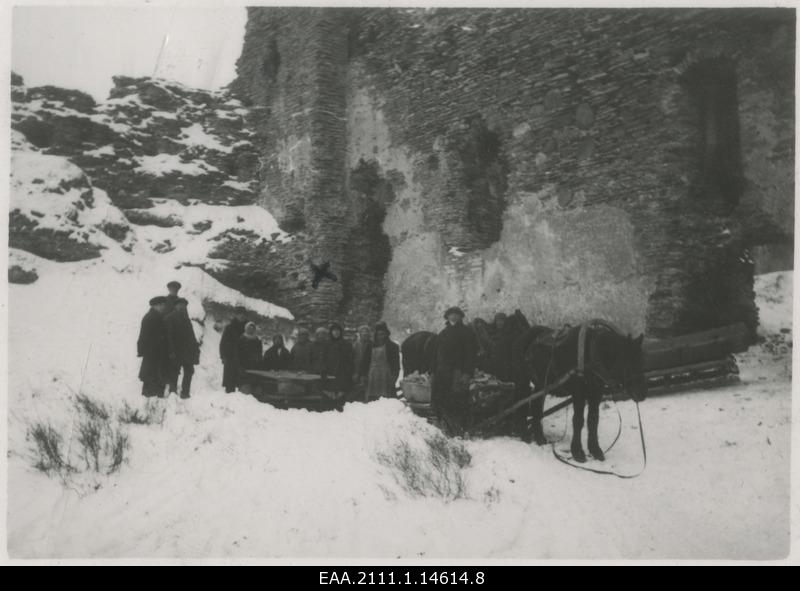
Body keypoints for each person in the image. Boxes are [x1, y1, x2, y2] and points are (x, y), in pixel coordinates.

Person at [432, 306, 478, 432]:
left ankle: (460, 429)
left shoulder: (467, 333)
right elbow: (436, 354)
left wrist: (467, 373)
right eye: (450, 314)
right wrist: (433, 371)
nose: (453, 317)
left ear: (460, 317)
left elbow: (470, 355)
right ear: (447, 317)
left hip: (457, 372)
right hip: (442, 373)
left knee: (458, 400)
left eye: (456, 315)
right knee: (441, 399)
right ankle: (444, 426)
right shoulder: (443, 333)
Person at [164, 297, 200, 399]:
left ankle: (185, 393)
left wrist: (195, 350)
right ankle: (172, 392)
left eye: (184, 306)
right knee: (174, 372)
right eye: (180, 305)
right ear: (176, 306)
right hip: (175, 351)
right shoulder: (170, 318)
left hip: (187, 352)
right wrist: (171, 351)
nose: (182, 307)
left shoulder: (186, 320)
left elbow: (191, 337)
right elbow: (168, 336)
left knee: (189, 371)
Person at [137, 296, 171, 398]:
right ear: (154, 306)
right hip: (152, 355)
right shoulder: (150, 318)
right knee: (151, 379)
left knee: (157, 379)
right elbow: (144, 337)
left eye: (163, 305)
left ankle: (154, 402)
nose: (162, 307)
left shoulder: (159, 317)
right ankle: (149, 403)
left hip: (158, 355)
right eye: (160, 305)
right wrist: (143, 351)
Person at [360, 322, 400, 402]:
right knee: (372, 400)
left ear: (387, 334)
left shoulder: (393, 347)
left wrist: (394, 377)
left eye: (383, 334)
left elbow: (396, 365)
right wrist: (364, 375)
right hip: (373, 377)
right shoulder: (370, 346)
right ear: (376, 335)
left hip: (386, 376)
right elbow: (364, 362)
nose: (382, 337)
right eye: (380, 334)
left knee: (387, 400)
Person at [220, 306, 247, 393]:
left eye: (243, 314)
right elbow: (223, 343)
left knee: (243, 383)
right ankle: (229, 401)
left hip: (244, 359)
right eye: (239, 314)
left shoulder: (248, 328)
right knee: (230, 383)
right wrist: (223, 356)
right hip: (231, 358)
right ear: (236, 315)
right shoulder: (229, 328)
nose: (242, 316)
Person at [325, 323, 354, 396]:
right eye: (334, 330)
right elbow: (323, 358)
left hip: (342, 371)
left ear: (341, 332)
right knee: (329, 392)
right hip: (330, 370)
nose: (336, 332)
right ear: (331, 332)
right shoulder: (327, 344)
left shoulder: (346, 344)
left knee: (342, 393)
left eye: (338, 330)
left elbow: (350, 358)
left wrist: (348, 369)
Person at [352, 325, 372, 390]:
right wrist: (355, 372)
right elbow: (353, 359)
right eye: (362, 332)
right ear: (360, 333)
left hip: (369, 370)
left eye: (366, 332)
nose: (364, 333)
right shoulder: (355, 345)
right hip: (357, 370)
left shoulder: (372, 344)